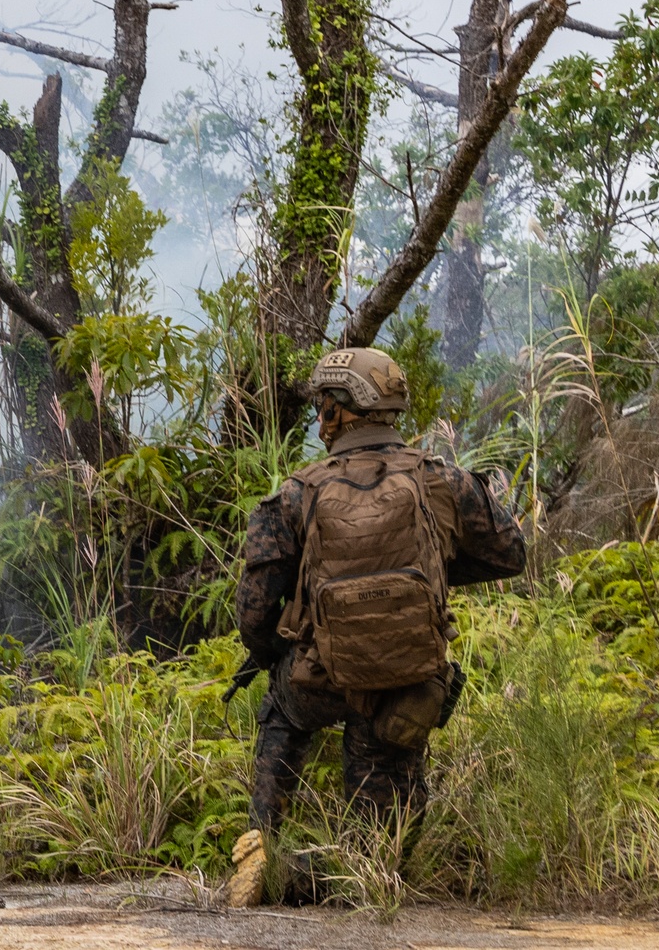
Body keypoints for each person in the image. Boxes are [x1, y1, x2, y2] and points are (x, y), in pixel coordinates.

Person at [226, 346, 526, 908]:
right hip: (407, 686)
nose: (319, 419)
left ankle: (264, 840)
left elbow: (253, 616)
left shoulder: (296, 493)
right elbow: (512, 553)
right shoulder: (444, 480)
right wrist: (428, 569)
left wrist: (281, 650)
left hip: (319, 680)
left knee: (282, 708)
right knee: (375, 859)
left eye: (323, 407)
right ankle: (322, 872)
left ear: (339, 411)